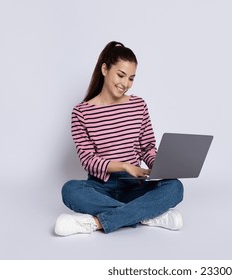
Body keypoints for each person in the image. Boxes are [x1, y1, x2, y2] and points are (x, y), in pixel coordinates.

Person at [54, 41, 184, 236]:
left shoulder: (138, 105)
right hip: (100, 188)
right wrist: (124, 166)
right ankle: (147, 215)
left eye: (131, 78)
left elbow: (147, 148)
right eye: (121, 75)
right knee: (70, 190)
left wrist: (160, 165)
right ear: (105, 69)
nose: (125, 84)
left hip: (135, 185)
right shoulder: (81, 112)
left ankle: (97, 222)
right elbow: (88, 161)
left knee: (175, 187)